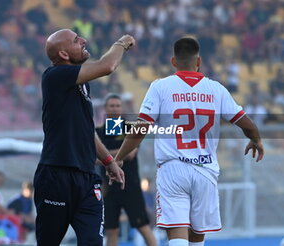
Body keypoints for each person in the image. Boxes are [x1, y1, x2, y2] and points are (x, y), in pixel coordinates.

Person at [115, 37, 264, 246]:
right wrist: (256, 140)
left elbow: (141, 129)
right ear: (199, 61)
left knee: (177, 237)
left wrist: (119, 158)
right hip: (205, 171)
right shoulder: (216, 89)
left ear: (173, 61)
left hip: (173, 169)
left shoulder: (160, 87)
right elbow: (248, 125)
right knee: (196, 239)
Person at [33, 29, 135, 246]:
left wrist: (109, 161)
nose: (84, 40)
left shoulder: (86, 89)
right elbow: (107, 66)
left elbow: (86, 130)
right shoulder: (55, 76)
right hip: (57, 175)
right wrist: (122, 42)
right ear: (63, 54)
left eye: (118, 105)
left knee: (97, 240)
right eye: (76, 40)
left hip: (91, 178)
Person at [96, 94, 157, 246]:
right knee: (111, 230)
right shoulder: (98, 132)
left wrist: (106, 156)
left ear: (122, 108)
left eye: (117, 105)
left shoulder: (130, 128)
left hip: (130, 186)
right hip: (108, 187)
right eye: (111, 106)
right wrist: (116, 155)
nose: (115, 109)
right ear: (105, 108)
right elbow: (93, 158)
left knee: (142, 226)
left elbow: (131, 154)